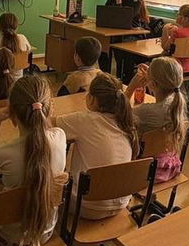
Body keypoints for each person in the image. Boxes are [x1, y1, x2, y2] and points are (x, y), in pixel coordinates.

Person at [0, 76, 66, 246]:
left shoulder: (3, 151)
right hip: (47, 232)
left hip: (10, 241)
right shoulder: (60, 136)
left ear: (12, 115)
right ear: (49, 110)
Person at [56, 73, 138, 219]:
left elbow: (48, 124)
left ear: (93, 100)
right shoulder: (125, 122)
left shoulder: (85, 120)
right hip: (121, 202)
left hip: (85, 205)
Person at [125, 57, 188, 182]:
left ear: (153, 84)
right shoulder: (176, 105)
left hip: (146, 171)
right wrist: (154, 74)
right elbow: (165, 78)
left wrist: (131, 87)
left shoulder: (146, 112)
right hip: (170, 166)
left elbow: (120, 113)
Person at [160, 4, 189, 74]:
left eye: (179, 15)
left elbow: (165, 47)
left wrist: (165, 29)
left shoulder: (178, 32)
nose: (177, 16)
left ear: (186, 19)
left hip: (176, 68)